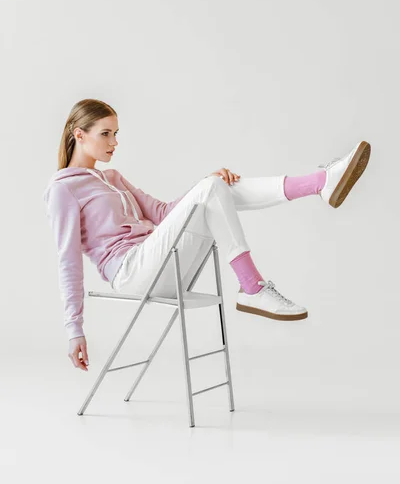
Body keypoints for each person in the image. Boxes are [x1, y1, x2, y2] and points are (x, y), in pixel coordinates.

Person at [43, 98, 371, 373]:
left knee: (220, 185)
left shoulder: (112, 176)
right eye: (106, 134)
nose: (115, 142)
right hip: (131, 272)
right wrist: (74, 329)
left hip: (162, 263)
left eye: (116, 133)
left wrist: (207, 183)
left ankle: (321, 183)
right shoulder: (63, 189)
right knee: (213, 188)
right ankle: (252, 287)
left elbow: (163, 213)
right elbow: (68, 261)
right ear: (79, 135)